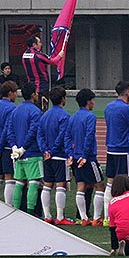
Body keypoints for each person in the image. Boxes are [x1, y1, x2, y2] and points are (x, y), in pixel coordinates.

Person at [37, 87, 74, 225]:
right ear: (63, 99)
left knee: (47, 185)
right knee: (60, 185)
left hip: (47, 156)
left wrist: (45, 150)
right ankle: (60, 216)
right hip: (59, 155)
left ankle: (47, 215)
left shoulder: (44, 115)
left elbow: (39, 135)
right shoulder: (65, 116)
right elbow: (62, 136)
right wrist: (52, 151)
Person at [69, 88, 105, 226]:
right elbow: (89, 136)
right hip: (88, 157)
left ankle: (83, 218)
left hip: (76, 156)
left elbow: (68, 137)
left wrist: (71, 154)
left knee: (81, 186)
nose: (94, 103)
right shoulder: (90, 117)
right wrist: (85, 155)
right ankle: (96, 218)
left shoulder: (73, 117)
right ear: (88, 102)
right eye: (93, 100)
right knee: (100, 185)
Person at [7, 82, 44, 213]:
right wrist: (23, 148)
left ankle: (15, 210)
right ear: (33, 94)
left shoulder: (15, 110)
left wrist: (14, 147)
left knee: (19, 182)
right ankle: (30, 212)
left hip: (18, 154)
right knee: (33, 182)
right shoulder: (35, 111)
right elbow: (33, 132)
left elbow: (9, 130)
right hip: (32, 152)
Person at [103, 81, 129, 216]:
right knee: (125, 183)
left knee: (110, 182)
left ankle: (107, 215)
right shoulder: (127, 109)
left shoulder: (108, 107)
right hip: (124, 150)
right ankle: (125, 213)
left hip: (111, 148)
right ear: (127, 92)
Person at [0, 81, 18, 204]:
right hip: (5, 147)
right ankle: (8, 206)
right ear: (10, 93)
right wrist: (0, 149)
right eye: (15, 92)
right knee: (9, 178)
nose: (16, 95)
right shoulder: (12, 108)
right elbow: (7, 130)